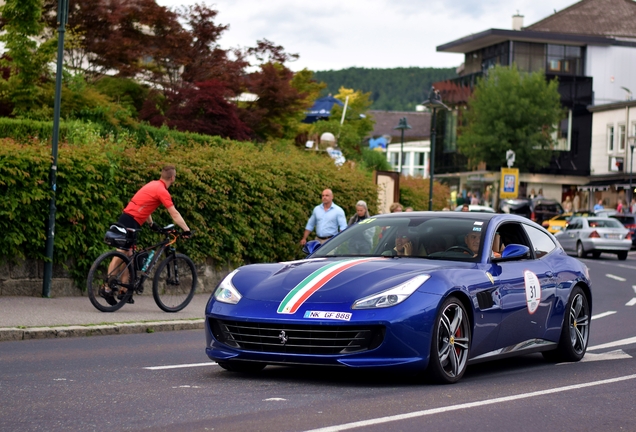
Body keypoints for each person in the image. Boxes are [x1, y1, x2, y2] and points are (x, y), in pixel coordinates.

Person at [106, 165, 191, 304]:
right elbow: (174, 214)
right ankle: (107, 288)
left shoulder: (153, 184)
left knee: (128, 255)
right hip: (132, 222)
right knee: (121, 253)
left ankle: (124, 290)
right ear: (172, 178)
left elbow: (145, 206)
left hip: (127, 218)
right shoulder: (162, 191)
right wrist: (186, 230)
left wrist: (151, 224)